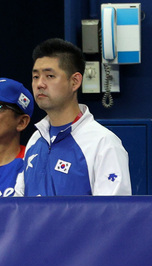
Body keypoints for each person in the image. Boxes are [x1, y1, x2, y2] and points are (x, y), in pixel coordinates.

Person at [15, 38, 131, 196]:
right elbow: (19, 206)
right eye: (36, 77)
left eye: (49, 76)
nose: (40, 84)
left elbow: (112, 215)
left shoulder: (103, 143)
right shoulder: (36, 139)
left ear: (75, 81)